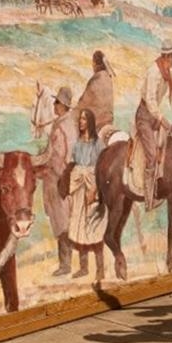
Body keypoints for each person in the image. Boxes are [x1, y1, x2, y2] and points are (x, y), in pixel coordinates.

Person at [135, 39, 172, 210]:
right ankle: (148, 198)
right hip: (144, 117)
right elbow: (150, 100)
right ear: (165, 57)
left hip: (153, 116)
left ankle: (160, 184)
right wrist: (161, 119)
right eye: (171, 57)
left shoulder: (165, 70)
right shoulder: (154, 73)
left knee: (167, 145)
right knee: (152, 155)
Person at [65, 108, 106, 280]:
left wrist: (94, 189)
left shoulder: (98, 144)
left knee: (93, 227)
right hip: (78, 189)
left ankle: (100, 269)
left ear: (89, 121)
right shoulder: (77, 144)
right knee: (79, 228)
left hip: (92, 187)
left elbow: (102, 169)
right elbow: (73, 164)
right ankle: (83, 267)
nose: (80, 122)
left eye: (83, 119)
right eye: (80, 119)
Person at [44, 86, 78, 276]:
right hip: (61, 178)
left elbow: (60, 156)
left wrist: (48, 169)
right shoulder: (66, 124)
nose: (54, 105)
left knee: (62, 222)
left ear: (63, 105)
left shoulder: (63, 127)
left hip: (59, 180)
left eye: (56, 102)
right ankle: (66, 263)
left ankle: (65, 265)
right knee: (62, 221)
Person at [75, 50, 115, 135]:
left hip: (97, 124)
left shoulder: (96, 80)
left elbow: (83, 103)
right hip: (109, 123)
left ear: (95, 64)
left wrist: (74, 111)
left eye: (93, 63)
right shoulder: (108, 79)